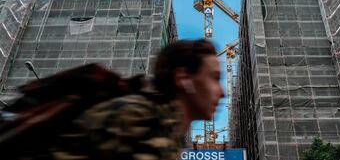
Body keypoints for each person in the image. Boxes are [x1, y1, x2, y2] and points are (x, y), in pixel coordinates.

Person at [1, 39, 224, 160]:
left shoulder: (165, 128)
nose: (222, 92)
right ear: (183, 77)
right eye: (214, 78)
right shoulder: (138, 119)